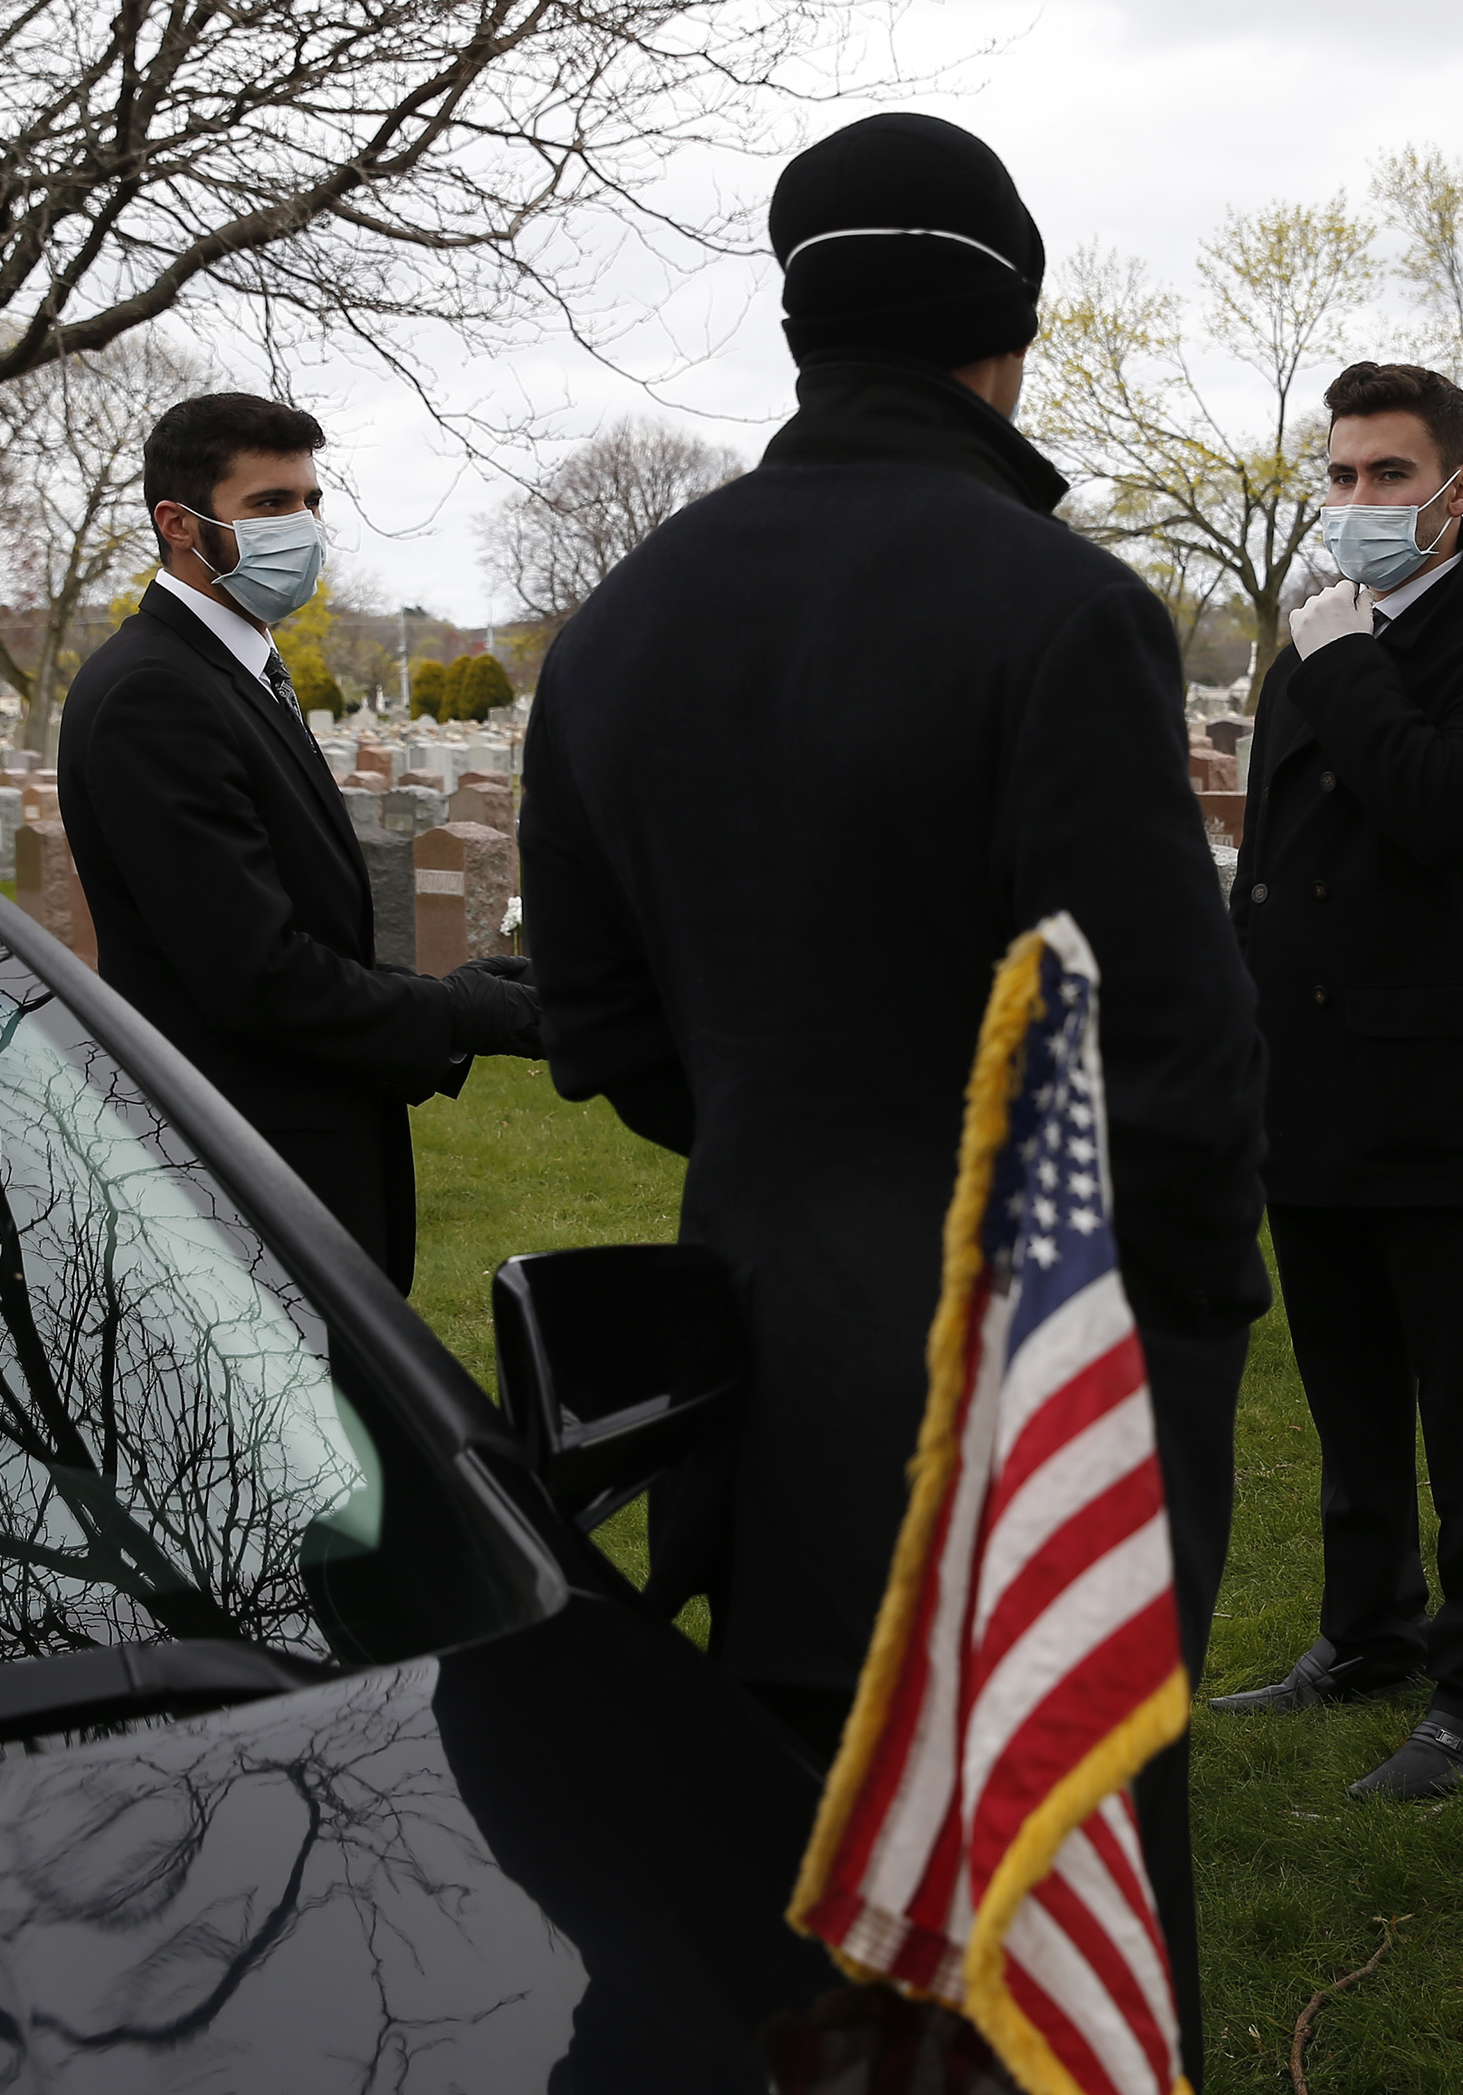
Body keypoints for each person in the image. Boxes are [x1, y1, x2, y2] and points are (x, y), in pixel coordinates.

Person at [515, 114, 1268, 2065]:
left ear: (801, 324)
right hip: (1030, 1407)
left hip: (762, 1379)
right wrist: (1168, 1349)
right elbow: (1166, 1066)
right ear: (1001, 331)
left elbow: (599, 1038)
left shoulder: (617, 629)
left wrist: (792, 1139)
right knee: (1043, 1956)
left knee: (793, 1920)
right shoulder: (1055, 608)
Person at [1203, 364, 1463, 1803]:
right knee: (1346, 1383)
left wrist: (1351, 657)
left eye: (1390, 476)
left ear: (1459, 491)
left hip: (1429, 1076)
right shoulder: (1304, 650)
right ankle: (1368, 1630)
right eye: (1344, 475)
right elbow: (1273, 865)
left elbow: (1444, 813)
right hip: (1297, 1070)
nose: (1359, 503)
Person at [60, 393, 541, 1289]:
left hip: (304, 1156)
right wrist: (464, 1014)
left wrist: (446, 990)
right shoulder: (153, 693)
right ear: (179, 524)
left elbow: (303, 931)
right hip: (246, 1178)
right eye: (270, 504)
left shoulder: (235, 667)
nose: (305, 526)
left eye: (311, 501)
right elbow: (254, 976)